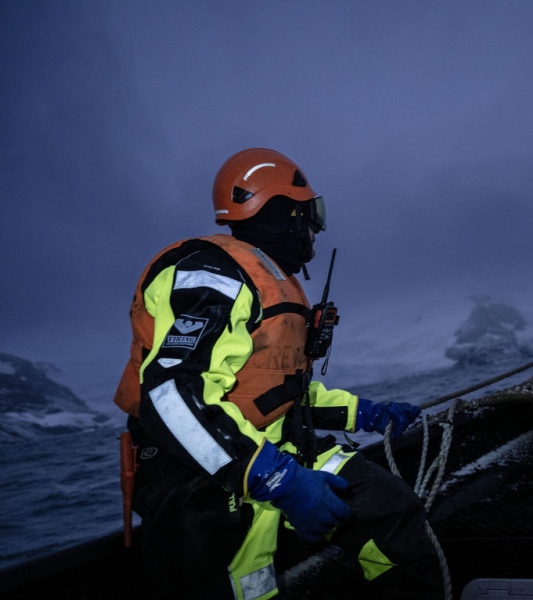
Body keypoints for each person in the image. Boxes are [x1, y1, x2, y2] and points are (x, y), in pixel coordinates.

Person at [113, 148, 443, 600]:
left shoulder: (271, 281)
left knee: (392, 515)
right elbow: (170, 393)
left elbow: (281, 391)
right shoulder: (210, 274)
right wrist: (276, 480)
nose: (315, 229)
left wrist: (368, 414)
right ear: (284, 210)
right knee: (247, 589)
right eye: (311, 215)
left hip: (280, 451)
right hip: (205, 474)